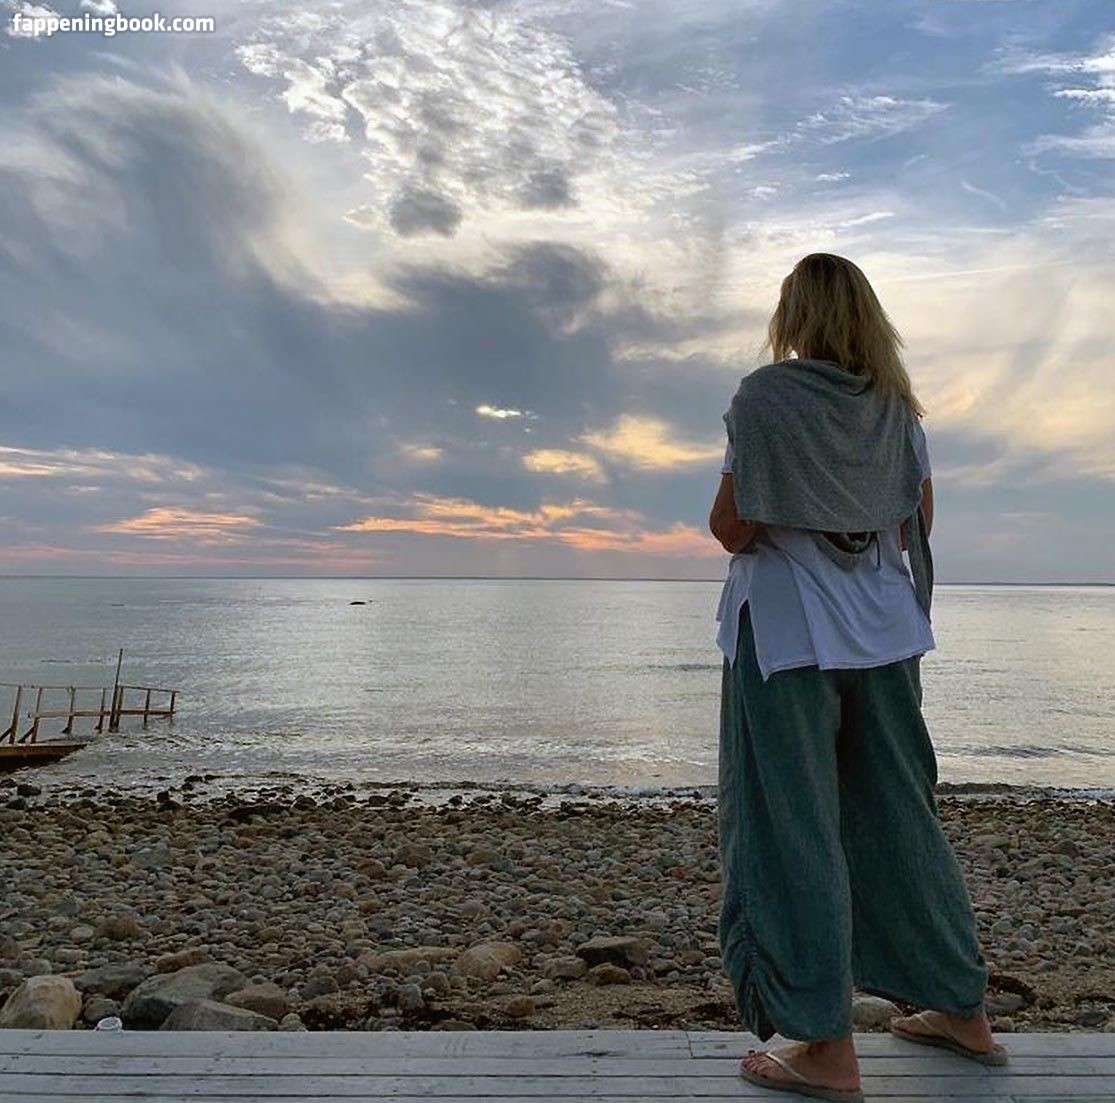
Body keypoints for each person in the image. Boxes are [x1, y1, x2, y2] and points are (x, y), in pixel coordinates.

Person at [708, 253, 1007, 1101]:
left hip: (789, 636)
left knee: (788, 825)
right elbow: (915, 523)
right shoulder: (895, 408)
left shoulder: (764, 398)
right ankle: (961, 1009)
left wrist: (795, 501)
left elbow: (733, 526)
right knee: (900, 814)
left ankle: (825, 1044)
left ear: (793, 315)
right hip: (885, 632)